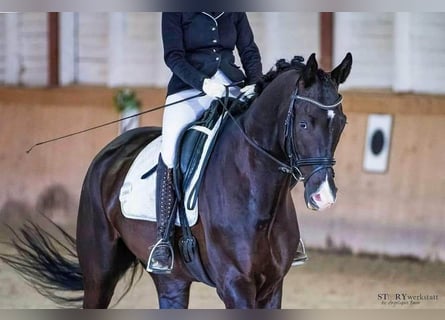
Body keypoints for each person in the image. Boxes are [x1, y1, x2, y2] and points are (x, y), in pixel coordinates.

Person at [147, 12, 307, 274]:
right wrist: (203, 83)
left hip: (234, 85)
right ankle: (163, 239)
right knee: (171, 149)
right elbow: (173, 56)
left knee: (271, 142)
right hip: (190, 90)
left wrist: (255, 85)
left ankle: (288, 232)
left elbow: (248, 50)